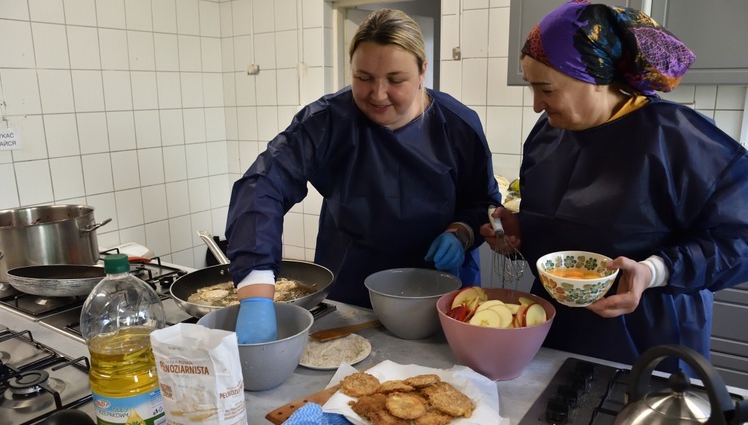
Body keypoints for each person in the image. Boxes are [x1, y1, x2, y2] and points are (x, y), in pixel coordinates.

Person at [481, 0, 748, 371]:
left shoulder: (679, 141)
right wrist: (518, 233)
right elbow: (559, 224)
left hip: (650, 340)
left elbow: (739, 241)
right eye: (531, 88)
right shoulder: (548, 136)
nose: (537, 106)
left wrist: (654, 270)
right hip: (559, 332)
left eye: (546, 89)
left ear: (596, 79)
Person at [226, 8, 501, 343]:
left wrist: (461, 233)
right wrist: (255, 286)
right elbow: (264, 184)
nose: (378, 94)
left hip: (439, 295)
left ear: (422, 71)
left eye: (395, 80)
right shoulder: (327, 121)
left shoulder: (458, 125)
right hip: (352, 296)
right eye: (364, 77)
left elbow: (482, 202)